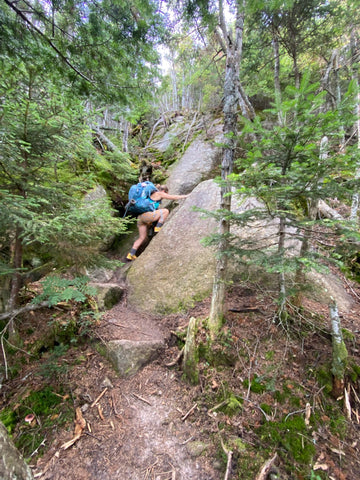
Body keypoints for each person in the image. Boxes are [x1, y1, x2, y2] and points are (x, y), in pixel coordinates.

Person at [126, 185, 188, 261]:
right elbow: (173, 197)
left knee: (142, 238)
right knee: (165, 211)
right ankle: (158, 228)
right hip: (147, 216)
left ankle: (130, 255)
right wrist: (186, 196)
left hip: (140, 218)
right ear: (164, 191)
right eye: (166, 193)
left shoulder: (149, 195)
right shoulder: (159, 193)